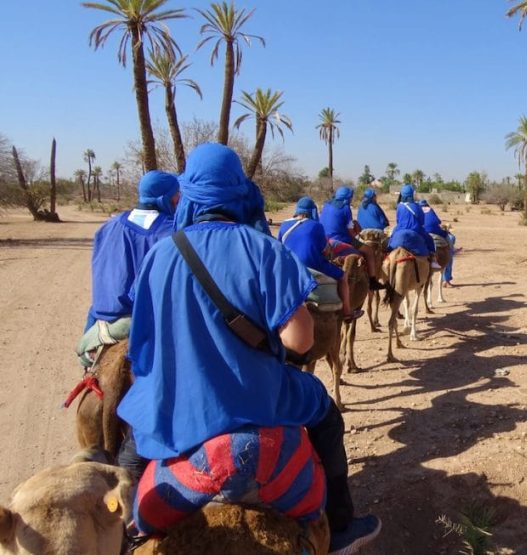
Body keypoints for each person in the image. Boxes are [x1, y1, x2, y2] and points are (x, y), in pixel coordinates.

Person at [116, 144, 380, 554]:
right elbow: (301, 341)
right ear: (238, 189)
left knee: (130, 449)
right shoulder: (263, 249)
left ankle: (127, 532)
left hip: (178, 407)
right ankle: (342, 526)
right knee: (326, 417)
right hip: (260, 399)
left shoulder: (160, 254)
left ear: (188, 193)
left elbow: (141, 347)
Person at [84, 170, 180, 331]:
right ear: (166, 198)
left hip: (98, 322)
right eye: (176, 195)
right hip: (143, 326)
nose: (178, 200)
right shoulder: (172, 232)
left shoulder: (108, 227)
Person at [279, 197, 364, 323]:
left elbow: (279, 245)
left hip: (289, 265)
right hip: (313, 263)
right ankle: (347, 312)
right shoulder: (316, 226)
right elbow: (325, 251)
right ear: (312, 211)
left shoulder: (284, 224)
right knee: (342, 277)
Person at [320, 186, 385, 291]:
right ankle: (372, 281)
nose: (351, 199)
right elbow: (351, 232)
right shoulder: (346, 209)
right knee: (369, 251)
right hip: (341, 239)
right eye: (350, 197)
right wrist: (357, 233)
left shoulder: (326, 205)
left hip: (325, 240)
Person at [387, 184, 440, 268]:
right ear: (411, 194)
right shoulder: (417, 206)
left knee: (391, 238)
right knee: (430, 239)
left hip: (400, 229)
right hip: (415, 230)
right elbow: (422, 221)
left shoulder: (399, 206)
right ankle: (433, 259)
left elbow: (398, 220)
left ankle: (387, 255)